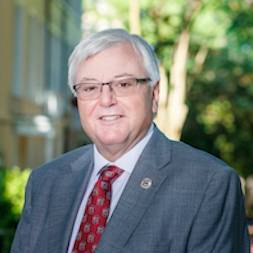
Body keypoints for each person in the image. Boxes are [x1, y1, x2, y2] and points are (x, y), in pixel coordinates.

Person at [11, 28, 250, 253]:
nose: (106, 100)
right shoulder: (45, 182)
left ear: (154, 95)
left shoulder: (209, 184)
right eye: (89, 88)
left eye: (123, 84)